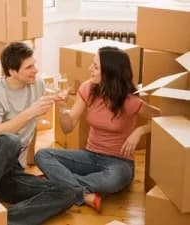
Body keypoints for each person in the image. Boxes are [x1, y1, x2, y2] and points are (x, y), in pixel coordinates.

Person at [35, 46, 160, 212]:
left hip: (119, 163)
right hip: (89, 156)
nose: (89, 69)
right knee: (43, 155)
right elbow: (67, 127)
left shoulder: (130, 101)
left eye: (95, 66)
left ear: (109, 72)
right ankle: (83, 194)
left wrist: (140, 131)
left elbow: (162, 118)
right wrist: (63, 108)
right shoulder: (87, 89)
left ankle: (58, 183)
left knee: (113, 180)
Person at [0, 42, 77, 225]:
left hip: (11, 171)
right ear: (12, 71)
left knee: (67, 192)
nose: (36, 70)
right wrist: (30, 112)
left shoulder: (37, 84)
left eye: (35, 64)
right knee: (10, 140)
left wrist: (60, 103)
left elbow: (61, 119)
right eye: (29, 67)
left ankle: (2, 221)